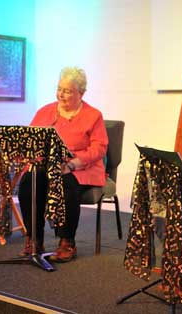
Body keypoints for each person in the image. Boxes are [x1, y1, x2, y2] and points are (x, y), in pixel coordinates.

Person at [18, 67, 108, 262]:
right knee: (28, 182)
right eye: (59, 89)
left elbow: (100, 148)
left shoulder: (93, 115)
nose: (61, 94)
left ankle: (67, 242)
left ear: (81, 93)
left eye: (67, 91)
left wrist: (73, 164)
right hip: (47, 166)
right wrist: (31, 155)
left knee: (65, 183)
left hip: (80, 167)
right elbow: (30, 140)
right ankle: (34, 239)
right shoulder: (45, 111)